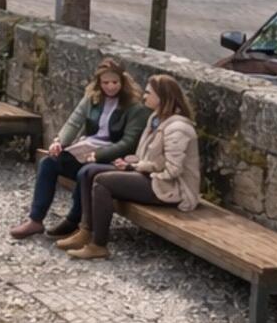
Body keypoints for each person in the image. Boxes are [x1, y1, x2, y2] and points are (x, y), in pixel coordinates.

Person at [10, 59, 149, 241]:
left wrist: (99, 155)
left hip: (112, 157)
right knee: (49, 163)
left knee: (86, 172)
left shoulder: (134, 107)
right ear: (99, 83)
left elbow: (128, 143)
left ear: (123, 82)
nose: (110, 87)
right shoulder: (92, 99)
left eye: (115, 82)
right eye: (105, 83)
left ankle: (74, 220)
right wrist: (59, 141)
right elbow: (74, 122)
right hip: (86, 148)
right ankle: (35, 219)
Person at [64, 74, 200, 261]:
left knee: (102, 182)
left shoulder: (178, 128)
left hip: (170, 188)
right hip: (152, 177)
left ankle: (98, 245)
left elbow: (173, 170)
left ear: (162, 97)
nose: (144, 97)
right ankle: (85, 231)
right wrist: (130, 163)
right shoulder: (156, 118)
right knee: (89, 171)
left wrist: (137, 167)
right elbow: (148, 156)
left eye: (148, 93)